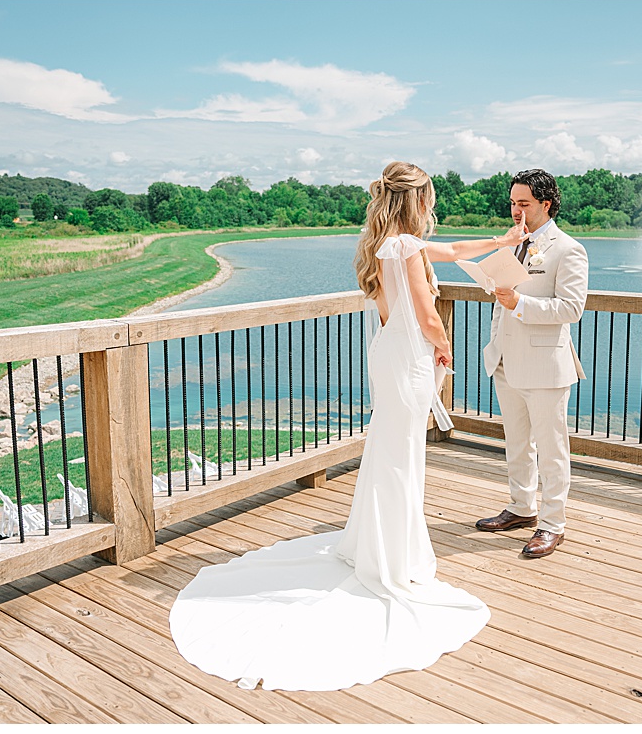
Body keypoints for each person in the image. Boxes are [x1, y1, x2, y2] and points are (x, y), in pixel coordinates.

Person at [169, 161, 526, 691]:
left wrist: (502, 239)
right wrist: (444, 347)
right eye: (428, 197)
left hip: (390, 353)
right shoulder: (406, 247)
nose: (432, 206)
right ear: (416, 200)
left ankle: (378, 547)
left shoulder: (389, 244)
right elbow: (429, 314)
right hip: (408, 356)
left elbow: (454, 252)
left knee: (389, 452)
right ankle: (392, 561)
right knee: (401, 457)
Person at [473, 168, 588, 559]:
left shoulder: (568, 249)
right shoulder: (512, 245)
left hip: (544, 367)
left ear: (546, 204)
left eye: (523, 203)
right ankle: (522, 507)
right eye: (512, 203)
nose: (515, 211)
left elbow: (571, 309)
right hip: (505, 361)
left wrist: (519, 303)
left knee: (552, 450)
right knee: (517, 443)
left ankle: (553, 525)